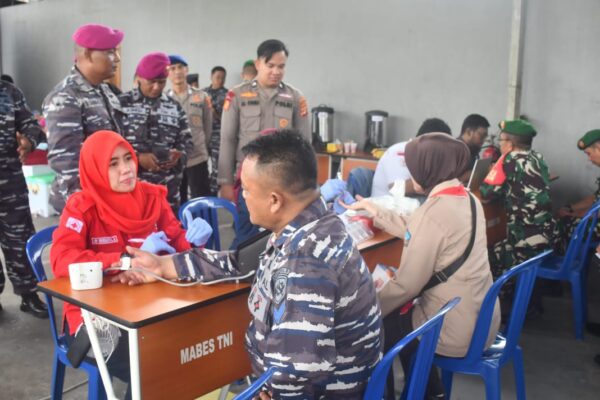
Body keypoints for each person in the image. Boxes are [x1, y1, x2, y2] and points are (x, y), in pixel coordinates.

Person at [115, 130, 382, 399]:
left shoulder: (305, 261)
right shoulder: (314, 224)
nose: (241, 197)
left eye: (246, 189)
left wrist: (271, 393)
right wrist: (164, 265)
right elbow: (241, 264)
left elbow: (296, 372)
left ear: (275, 200)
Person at [50, 130, 211, 396]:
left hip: (152, 307)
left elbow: (177, 241)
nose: (126, 169)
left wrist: (194, 240)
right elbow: (61, 259)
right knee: (152, 368)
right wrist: (124, 260)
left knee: (198, 348)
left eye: (128, 158)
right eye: (113, 164)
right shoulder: (81, 206)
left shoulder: (152, 198)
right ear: (95, 168)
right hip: (97, 320)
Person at [343, 133, 500, 399]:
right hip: (482, 319)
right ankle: (430, 391)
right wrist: (376, 211)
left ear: (430, 169)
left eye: (414, 167)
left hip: (457, 330)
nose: (410, 174)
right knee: (401, 315)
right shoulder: (466, 198)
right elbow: (420, 229)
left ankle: (395, 394)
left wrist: (365, 310)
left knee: (379, 327)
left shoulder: (434, 212)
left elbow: (407, 285)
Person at [219, 39, 310, 247]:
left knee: (282, 239)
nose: (276, 71)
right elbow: (227, 139)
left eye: (281, 66)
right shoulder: (237, 95)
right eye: (271, 65)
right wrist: (225, 182)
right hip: (249, 183)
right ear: (258, 63)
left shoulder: (295, 98)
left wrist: (306, 186)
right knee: (247, 240)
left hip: (283, 185)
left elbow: (304, 145)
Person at [43, 23, 124, 212]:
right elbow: (66, 164)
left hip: (107, 195)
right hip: (84, 204)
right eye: (110, 52)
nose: (117, 58)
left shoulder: (105, 91)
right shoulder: (66, 96)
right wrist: (86, 209)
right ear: (87, 54)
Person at [479, 119, 555, 312]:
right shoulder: (539, 157)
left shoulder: (508, 160)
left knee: (489, 254)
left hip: (523, 241)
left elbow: (486, 194)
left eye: (501, 140)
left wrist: (493, 171)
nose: (499, 144)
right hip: (546, 236)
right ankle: (531, 301)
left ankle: (505, 306)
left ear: (510, 144)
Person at [120, 52, 193, 213]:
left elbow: (187, 141)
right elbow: (111, 143)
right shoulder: (121, 104)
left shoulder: (174, 107)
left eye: (161, 82)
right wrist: (137, 158)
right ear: (139, 78)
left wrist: (178, 156)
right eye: (151, 82)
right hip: (131, 190)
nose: (157, 87)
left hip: (167, 192)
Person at [0, 79, 49, 318]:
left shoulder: (9, 92)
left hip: (10, 184)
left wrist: (28, 141)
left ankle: (28, 295)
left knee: (20, 240)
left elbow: (31, 125)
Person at [167, 54, 213, 203]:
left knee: (202, 199)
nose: (177, 72)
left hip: (197, 157)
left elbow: (208, 126)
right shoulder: (164, 99)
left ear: (186, 70)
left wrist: (201, 146)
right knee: (176, 200)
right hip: (174, 160)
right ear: (168, 73)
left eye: (180, 67)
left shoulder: (202, 96)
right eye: (172, 68)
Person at [371, 117, 452, 197]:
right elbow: (397, 189)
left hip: (414, 203)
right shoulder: (399, 151)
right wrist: (436, 180)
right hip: (385, 203)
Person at [202, 66, 228, 195]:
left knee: (217, 167)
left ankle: (212, 194)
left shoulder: (228, 95)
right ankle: (203, 192)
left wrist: (213, 112)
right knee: (200, 167)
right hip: (202, 136)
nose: (220, 80)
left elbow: (228, 119)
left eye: (223, 78)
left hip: (218, 136)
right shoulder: (202, 93)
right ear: (211, 77)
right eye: (218, 77)